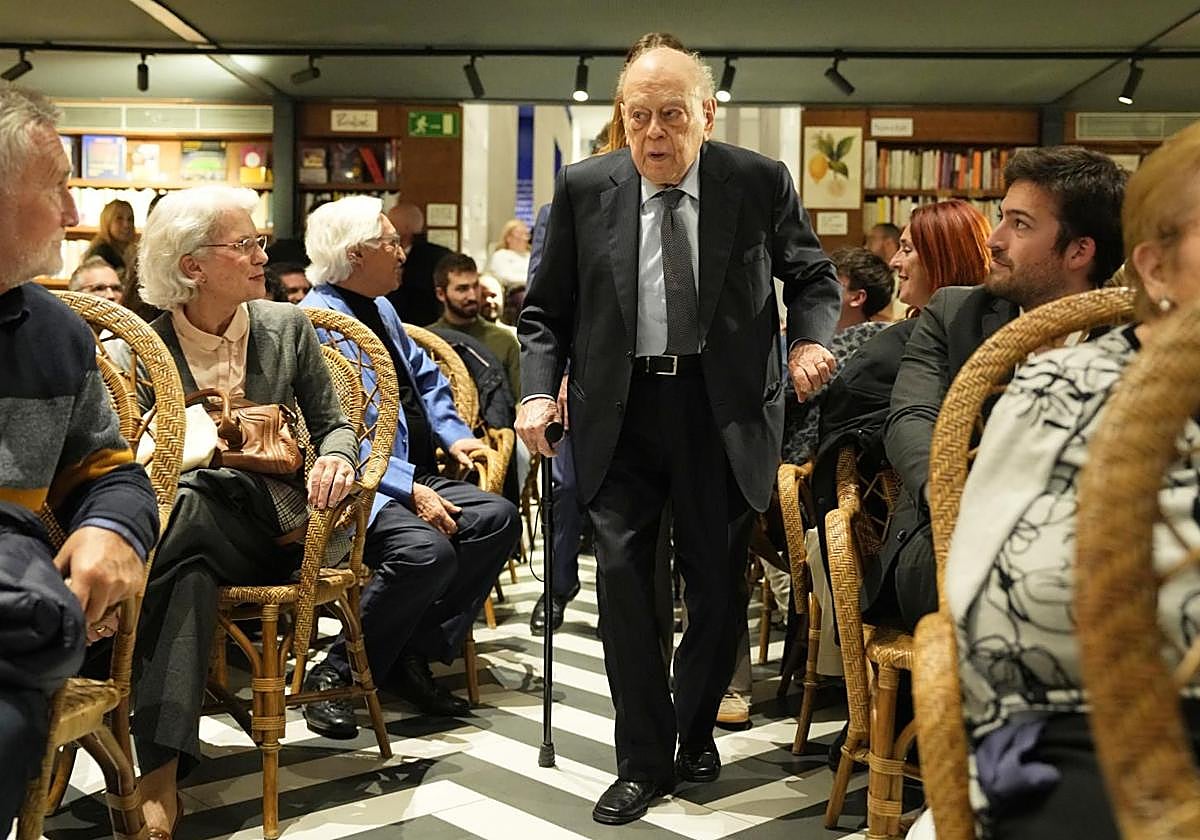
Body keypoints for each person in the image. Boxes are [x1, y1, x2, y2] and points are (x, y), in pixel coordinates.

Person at [517, 43, 840, 825]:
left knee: (717, 594)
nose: (654, 135)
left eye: (670, 115)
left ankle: (696, 731)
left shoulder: (757, 181)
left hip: (720, 411)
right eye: (638, 117)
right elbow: (544, 314)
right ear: (621, 117)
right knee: (626, 593)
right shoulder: (584, 187)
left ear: (706, 113)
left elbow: (812, 275)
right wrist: (534, 396)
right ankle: (641, 761)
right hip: (618, 415)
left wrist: (809, 339)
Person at [943, 120, 1200, 840]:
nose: (993, 238)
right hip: (1101, 719)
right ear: (1154, 269)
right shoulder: (1062, 384)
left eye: (1016, 223)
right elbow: (998, 592)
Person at [129, 185, 359, 838]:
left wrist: (337, 457)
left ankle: (96, 647)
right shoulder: (142, 346)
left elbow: (335, 425)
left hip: (276, 526)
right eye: (245, 244)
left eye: (261, 240)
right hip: (188, 528)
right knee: (190, 575)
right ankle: (161, 775)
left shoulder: (287, 327)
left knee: (194, 505)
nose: (263, 255)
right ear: (191, 265)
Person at [876, 148, 1126, 633]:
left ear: (1079, 251)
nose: (993, 240)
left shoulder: (1130, 337)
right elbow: (911, 418)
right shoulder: (953, 314)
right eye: (1000, 218)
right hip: (946, 539)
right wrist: (954, 496)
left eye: (1021, 225)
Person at [300, 196, 520, 736]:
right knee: (427, 552)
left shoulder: (380, 305)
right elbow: (329, 434)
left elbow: (424, 376)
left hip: (404, 470)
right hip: (354, 486)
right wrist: (405, 488)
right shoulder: (319, 323)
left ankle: (406, 653)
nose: (403, 252)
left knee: (495, 517)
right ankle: (336, 672)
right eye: (390, 242)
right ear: (355, 255)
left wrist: (455, 434)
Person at [0, 85, 157, 836]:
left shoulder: (54, 331)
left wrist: (116, 529)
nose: (74, 214)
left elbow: (112, 469)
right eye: (57, 187)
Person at [782, 246, 895, 466]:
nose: (820, 288)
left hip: (819, 465)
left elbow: (791, 391)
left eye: (832, 281)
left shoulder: (867, 343)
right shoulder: (806, 339)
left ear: (857, 297)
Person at [430, 252, 521, 400]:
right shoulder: (427, 341)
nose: (472, 296)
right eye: (462, 289)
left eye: (475, 286)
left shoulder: (505, 341)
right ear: (441, 294)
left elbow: (520, 402)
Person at [384, 201, 451, 327]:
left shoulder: (437, 257)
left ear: (406, 227)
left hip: (427, 326)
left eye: (391, 222)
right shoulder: (379, 253)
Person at [83, 198, 136, 274]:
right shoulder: (101, 253)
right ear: (107, 222)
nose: (126, 225)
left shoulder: (127, 253)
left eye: (130, 219)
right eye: (119, 218)